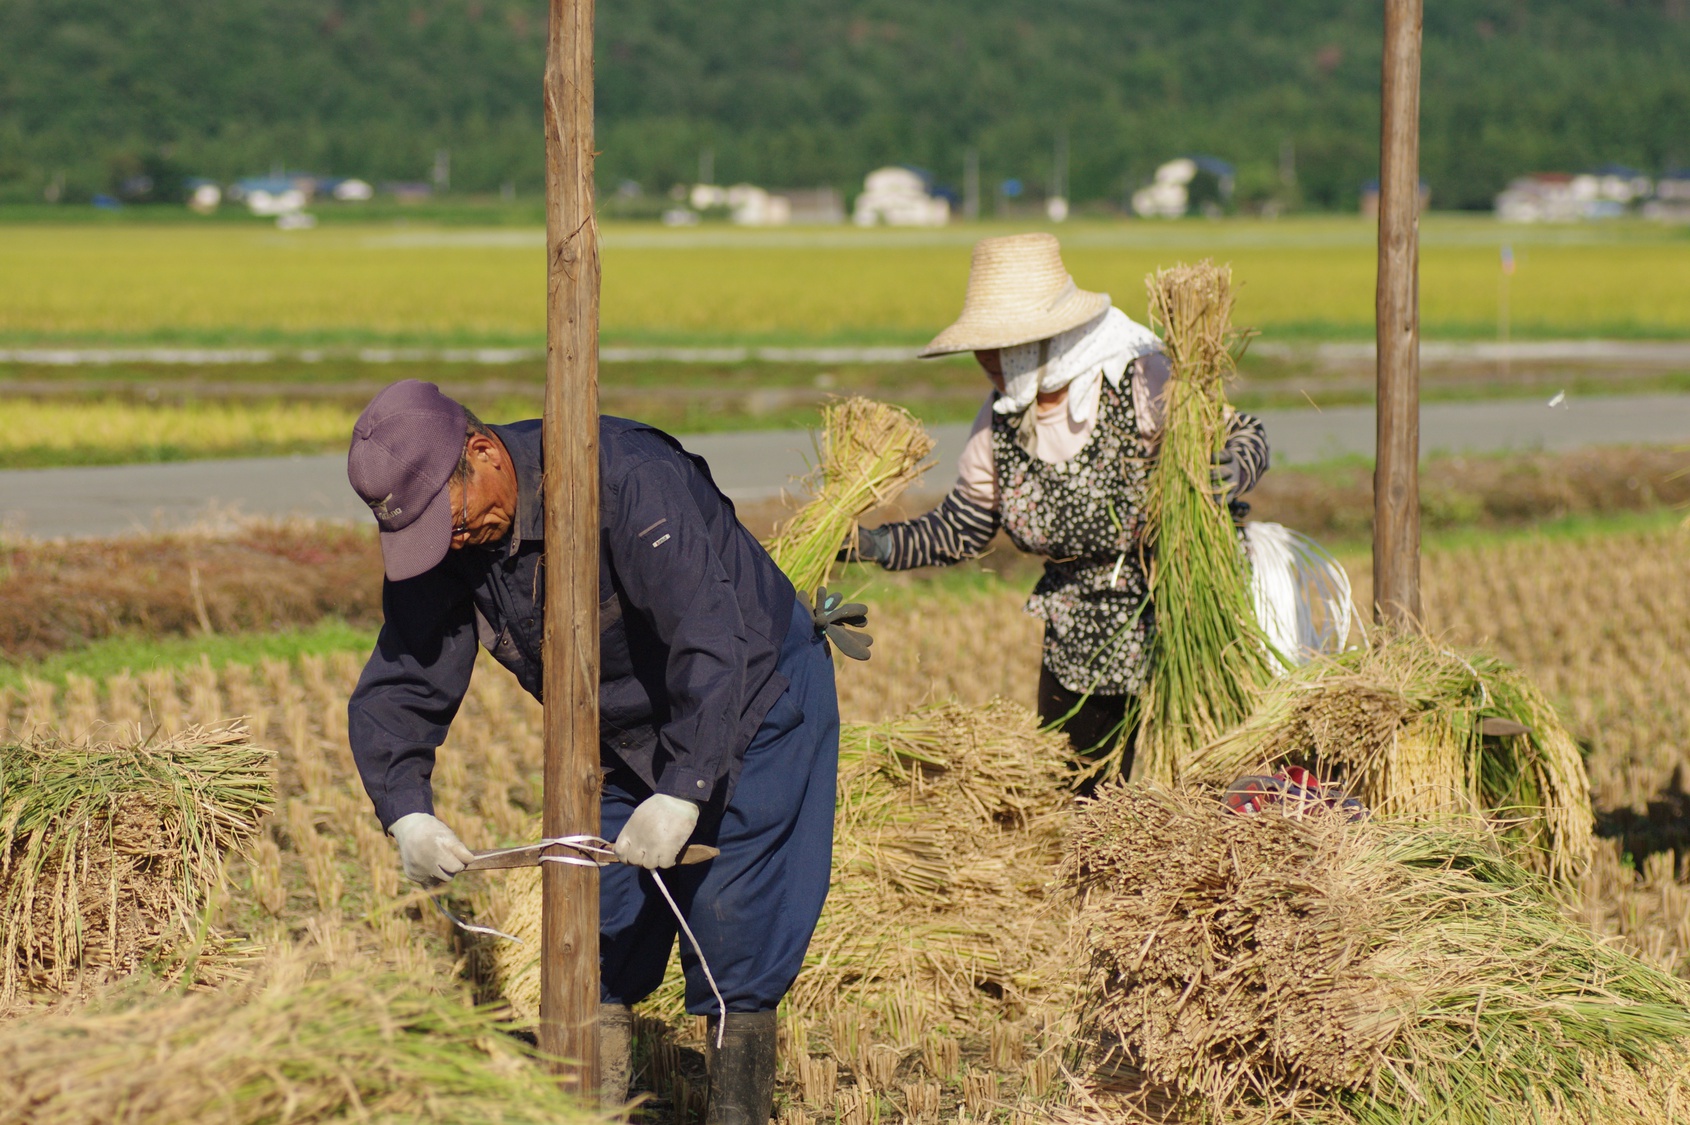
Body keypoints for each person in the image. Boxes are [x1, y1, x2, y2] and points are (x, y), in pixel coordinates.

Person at [344, 379, 841, 1124]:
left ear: (482, 453)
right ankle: (597, 1109)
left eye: (445, 522)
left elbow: (710, 640)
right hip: (620, 730)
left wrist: (684, 786)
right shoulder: (450, 535)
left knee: (736, 929)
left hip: (753, 699)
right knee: (597, 932)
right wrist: (404, 811)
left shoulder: (629, 480)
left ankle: (737, 1111)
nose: (442, 545)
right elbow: (404, 677)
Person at [848, 233, 1269, 777]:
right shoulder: (1001, 419)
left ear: (1046, 338)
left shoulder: (1137, 377)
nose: (985, 358)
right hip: (1077, 632)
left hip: (1175, 611)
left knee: (1197, 783)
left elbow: (1245, 433)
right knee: (1079, 792)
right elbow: (962, 527)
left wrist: (1232, 468)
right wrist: (871, 543)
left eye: (1001, 344)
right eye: (982, 345)